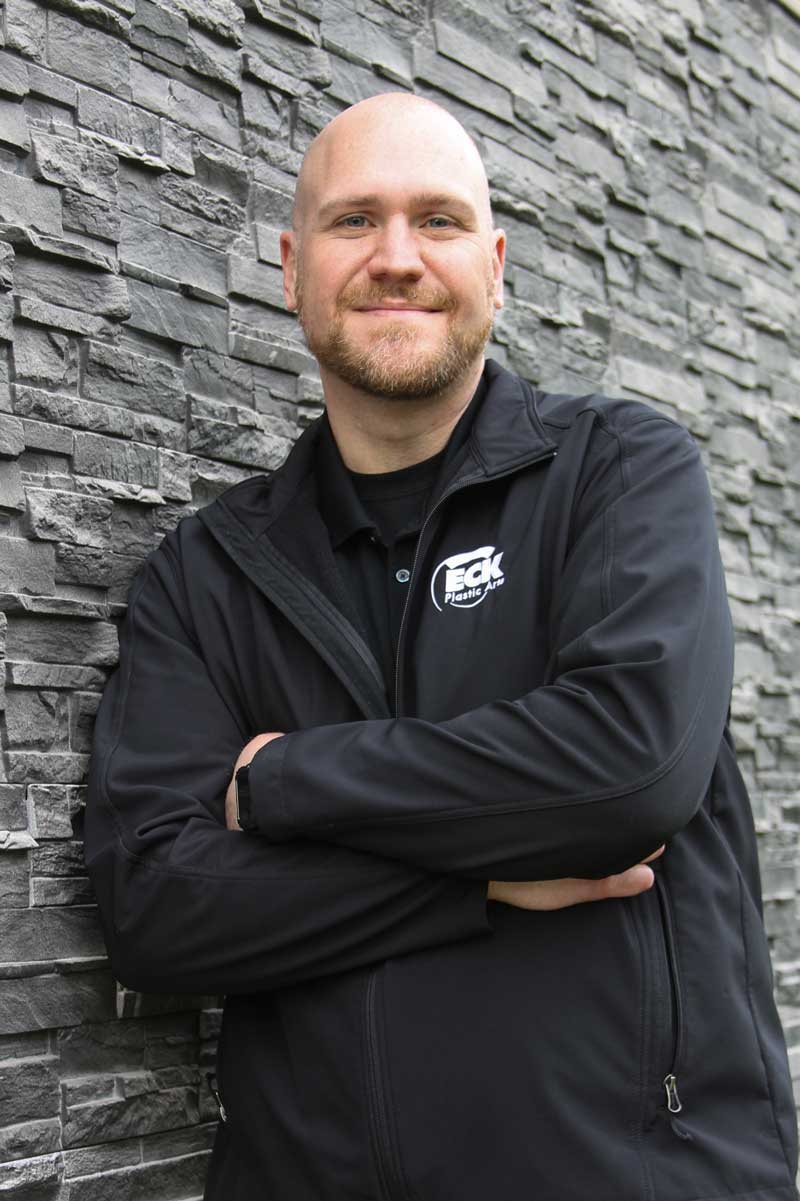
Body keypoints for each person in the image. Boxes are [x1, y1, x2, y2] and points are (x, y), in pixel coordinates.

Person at [85, 93, 799, 1201]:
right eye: (354, 221)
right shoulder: (209, 569)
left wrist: (282, 779)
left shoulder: (617, 472)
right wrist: (478, 884)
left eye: (439, 220)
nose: (397, 257)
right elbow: (155, 907)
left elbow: (627, 768)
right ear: (290, 265)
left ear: (495, 261)